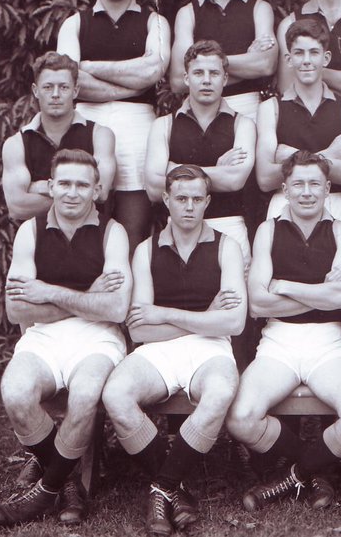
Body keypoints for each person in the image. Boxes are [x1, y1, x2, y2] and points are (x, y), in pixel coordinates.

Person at [0, 149, 131, 526]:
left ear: (97, 190)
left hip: (98, 338)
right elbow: (17, 311)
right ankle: (67, 486)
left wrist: (47, 292)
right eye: (64, 183)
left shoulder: (113, 233)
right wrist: (87, 296)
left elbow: (114, 310)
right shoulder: (29, 232)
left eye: (82, 185)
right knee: (16, 393)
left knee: (84, 396)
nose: (72, 192)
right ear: (50, 186)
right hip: (43, 337)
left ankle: (40, 494)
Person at [101, 164, 245, 536]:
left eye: (197, 199)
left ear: (208, 202)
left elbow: (233, 323)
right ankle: (176, 490)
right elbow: (139, 328)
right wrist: (204, 315)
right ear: (166, 200)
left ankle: (161, 488)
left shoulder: (227, 246)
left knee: (220, 393)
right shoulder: (146, 251)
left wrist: (164, 313)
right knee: (116, 394)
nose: (189, 207)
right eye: (181, 198)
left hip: (211, 349)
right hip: (160, 350)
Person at [227, 151, 341, 512]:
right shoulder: (268, 229)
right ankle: (315, 470)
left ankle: (293, 477)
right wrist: (321, 292)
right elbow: (258, 304)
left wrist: (284, 285)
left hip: (329, 343)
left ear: (327, 189)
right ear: (285, 189)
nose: (306, 192)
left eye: (314, 185)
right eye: (298, 184)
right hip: (278, 341)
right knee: (241, 419)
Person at [57, 0, 170, 252]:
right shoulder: (75, 24)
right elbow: (69, 79)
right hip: (87, 122)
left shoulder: (154, 21)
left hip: (138, 128)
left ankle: (130, 297)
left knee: (135, 227)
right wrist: (131, 84)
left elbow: (154, 69)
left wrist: (93, 67)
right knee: (86, 216)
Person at [145, 40, 255, 267]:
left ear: (224, 79)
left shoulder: (243, 124)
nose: (206, 80)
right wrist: (217, 171)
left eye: (214, 73)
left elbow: (236, 179)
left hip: (229, 224)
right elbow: (154, 188)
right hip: (177, 231)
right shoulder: (164, 125)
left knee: (232, 301)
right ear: (186, 78)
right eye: (198, 73)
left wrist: (174, 170)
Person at [255, 19, 341, 224]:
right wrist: (329, 155)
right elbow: (265, 178)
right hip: (285, 202)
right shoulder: (270, 109)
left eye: (314, 52)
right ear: (288, 59)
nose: (306, 60)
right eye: (299, 53)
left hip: (334, 202)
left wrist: (291, 157)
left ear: (326, 57)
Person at [169, 0, 278, 123]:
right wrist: (245, 61)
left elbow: (266, 65)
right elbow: (178, 80)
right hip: (199, 110)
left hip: (248, 107)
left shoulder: (259, 9)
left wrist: (202, 68)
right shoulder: (188, 14)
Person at [2, 52, 115, 220]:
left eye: (63, 87)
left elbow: (101, 193)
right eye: (48, 87)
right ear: (36, 91)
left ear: (75, 91)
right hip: (39, 240)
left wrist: (38, 187)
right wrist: (79, 194)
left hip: (91, 237)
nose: (55, 94)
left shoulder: (100, 135)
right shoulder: (16, 144)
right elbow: (17, 207)